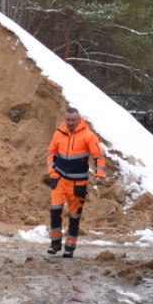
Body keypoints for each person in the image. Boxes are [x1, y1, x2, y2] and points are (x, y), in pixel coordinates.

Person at [45, 107, 106, 257]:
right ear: (65, 119)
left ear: (79, 119)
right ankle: (55, 244)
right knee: (55, 212)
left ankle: (70, 248)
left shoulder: (88, 136)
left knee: (74, 216)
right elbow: (51, 154)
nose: (70, 123)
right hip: (59, 180)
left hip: (78, 183)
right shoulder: (58, 134)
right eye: (68, 120)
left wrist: (99, 175)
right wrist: (52, 174)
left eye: (73, 120)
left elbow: (99, 156)